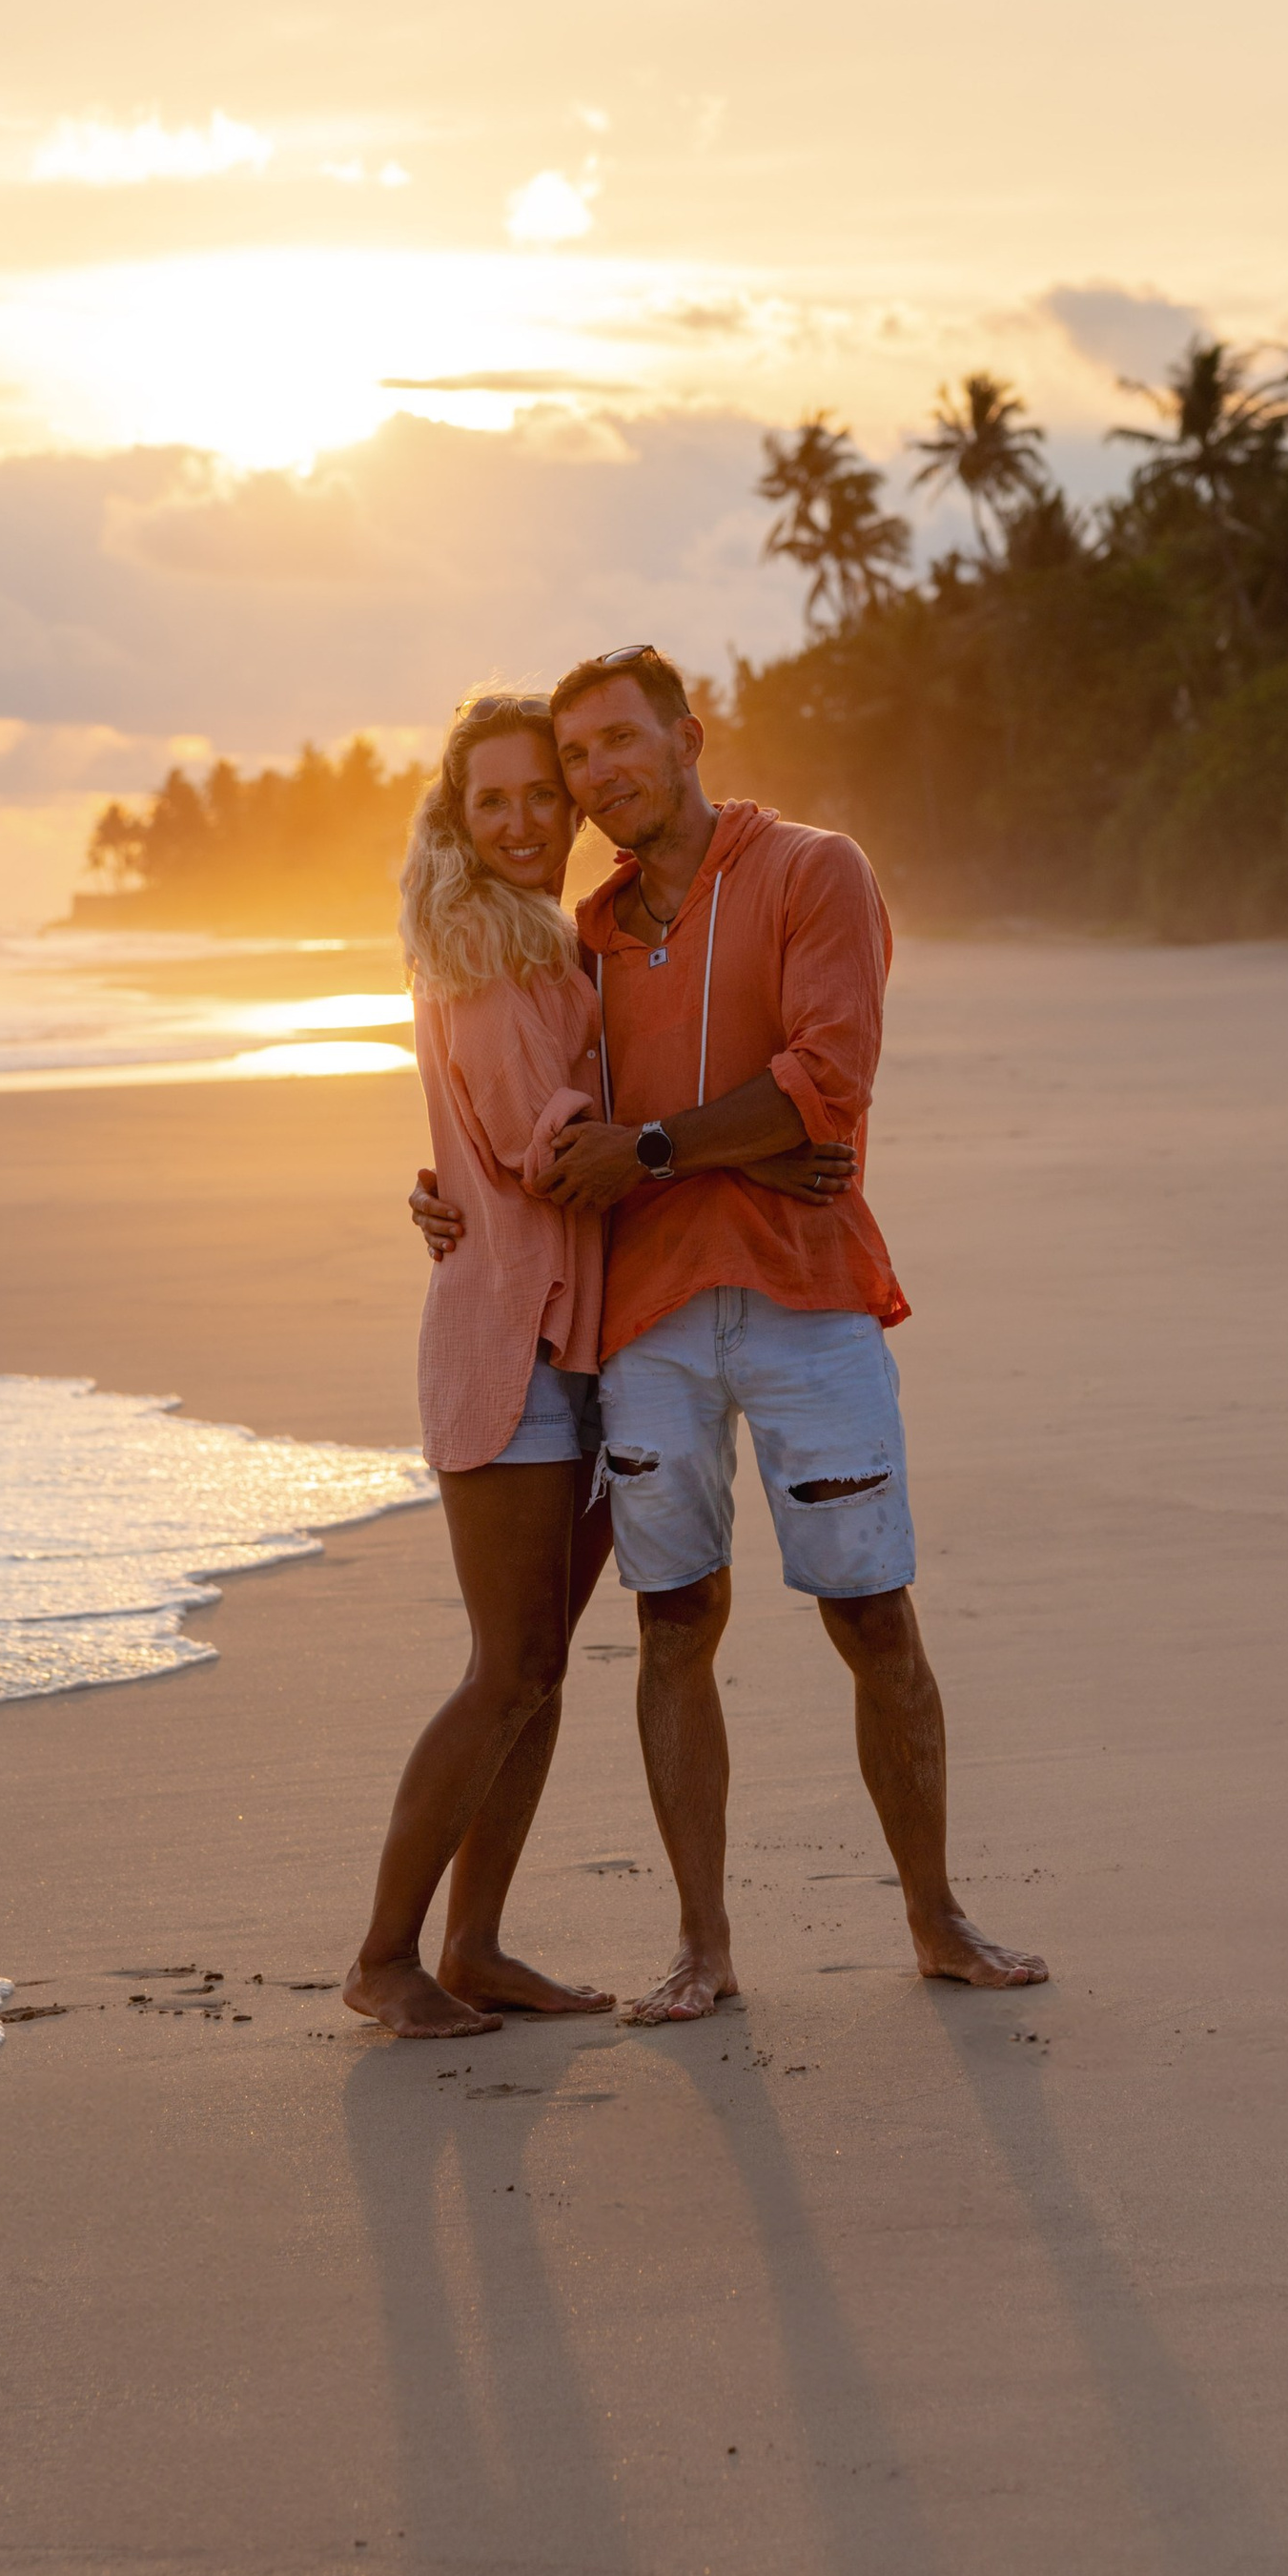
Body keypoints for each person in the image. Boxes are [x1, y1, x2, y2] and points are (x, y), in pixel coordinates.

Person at [413, 645, 1046, 2024]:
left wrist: (657, 1150)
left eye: (620, 742)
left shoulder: (815, 871)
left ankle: (937, 1918)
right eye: (578, 757)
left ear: (688, 737)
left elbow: (827, 1078)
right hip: (644, 1322)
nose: (600, 774)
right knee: (676, 1620)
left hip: (810, 1299)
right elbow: (529, 1103)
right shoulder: (585, 933)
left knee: (871, 1611)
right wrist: (447, 1187)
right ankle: (702, 1948)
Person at [342, 691, 625, 2038]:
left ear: (572, 808)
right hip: (509, 1344)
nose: (521, 822)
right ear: (458, 819)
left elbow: (494, 1145)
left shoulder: (548, 946)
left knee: (538, 1668)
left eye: (539, 796)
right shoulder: (490, 956)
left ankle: (477, 1945)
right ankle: (386, 1956)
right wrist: (730, 1133)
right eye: (491, 800)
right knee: (507, 1667)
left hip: (571, 1335)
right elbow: (548, 1146)